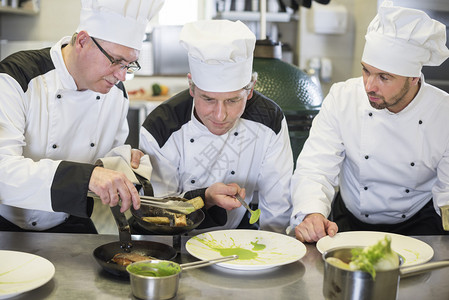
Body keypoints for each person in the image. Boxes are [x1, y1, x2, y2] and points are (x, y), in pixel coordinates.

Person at [290, 1, 449, 243]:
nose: (369, 86)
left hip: (419, 224)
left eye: (384, 77)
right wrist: (312, 213)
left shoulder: (443, 113)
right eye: (366, 71)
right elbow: (316, 167)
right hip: (348, 221)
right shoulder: (343, 98)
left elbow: (447, 193)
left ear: (414, 78)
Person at [0, 0, 165, 233]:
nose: (121, 76)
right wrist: (87, 177)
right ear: (83, 41)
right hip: (6, 223)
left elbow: (104, 157)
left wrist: (123, 162)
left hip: (68, 216)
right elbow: (2, 172)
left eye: (129, 65)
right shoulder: (16, 78)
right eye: (116, 61)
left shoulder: (116, 94)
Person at [139, 20, 293, 233]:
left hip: (239, 236)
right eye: (208, 99)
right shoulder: (162, 125)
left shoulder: (269, 119)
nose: (220, 115)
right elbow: (159, 212)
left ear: (249, 91)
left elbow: (277, 207)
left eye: (232, 100)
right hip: (175, 241)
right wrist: (206, 198)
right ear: (192, 87)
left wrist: (270, 255)